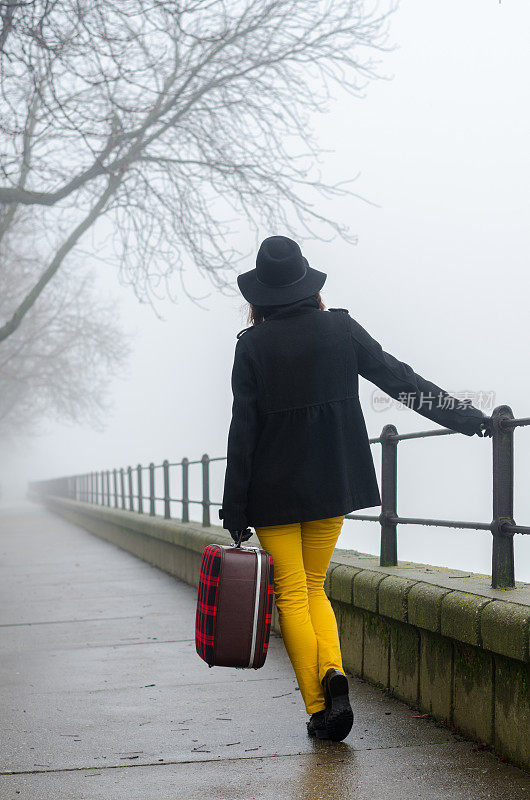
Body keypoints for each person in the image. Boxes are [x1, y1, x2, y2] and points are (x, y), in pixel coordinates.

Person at [218, 235, 491, 742]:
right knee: (316, 587)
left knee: (293, 595)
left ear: (260, 296)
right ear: (308, 286)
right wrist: (466, 418)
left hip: (274, 496)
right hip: (332, 483)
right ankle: (333, 677)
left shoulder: (251, 346)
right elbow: (397, 378)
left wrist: (235, 507)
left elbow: (243, 430)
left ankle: (323, 704)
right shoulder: (340, 327)